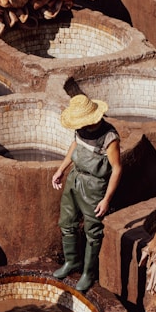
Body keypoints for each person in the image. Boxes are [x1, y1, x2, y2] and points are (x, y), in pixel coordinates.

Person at [51, 94, 122, 292]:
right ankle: (71, 262)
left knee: (93, 232)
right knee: (67, 222)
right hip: (74, 178)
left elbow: (116, 169)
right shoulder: (80, 129)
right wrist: (61, 170)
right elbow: (74, 146)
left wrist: (106, 199)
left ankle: (88, 273)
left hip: (94, 185)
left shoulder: (109, 137)